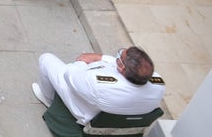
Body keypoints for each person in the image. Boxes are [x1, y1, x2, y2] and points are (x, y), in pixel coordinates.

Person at [34, 47, 164, 124]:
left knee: (46, 59)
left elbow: (70, 76)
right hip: (121, 115)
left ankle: (48, 100)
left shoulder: (98, 84)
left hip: (85, 113)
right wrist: (100, 57)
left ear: (122, 68)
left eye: (120, 57)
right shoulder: (159, 84)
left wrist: (82, 63)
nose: (117, 57)